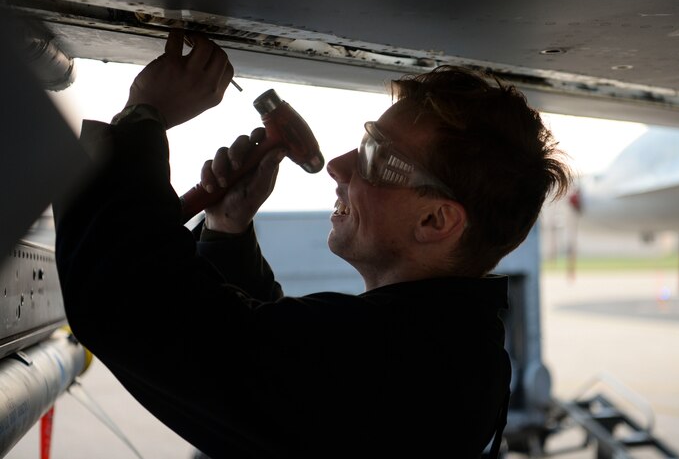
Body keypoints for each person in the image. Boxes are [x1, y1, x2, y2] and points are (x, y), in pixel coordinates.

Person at [54, 30, 571, 458]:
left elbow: (122, 304)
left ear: (436, 219)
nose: (340, 167)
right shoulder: (447, 356)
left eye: (375, 156)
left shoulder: (397, 370)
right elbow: (276, 368)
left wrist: (146, 116)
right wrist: (229, 228)